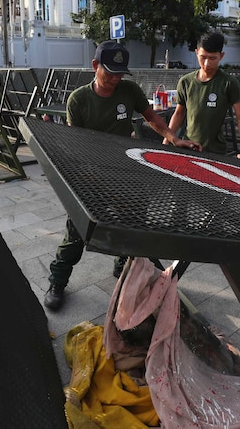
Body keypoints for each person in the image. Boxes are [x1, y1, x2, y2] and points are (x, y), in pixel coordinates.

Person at [44, 41, 201, 311]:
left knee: (135, 226)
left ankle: (124, 267)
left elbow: (152, 117)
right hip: (90, 178)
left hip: (125, 175)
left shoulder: (128, 91)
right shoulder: (79, 100)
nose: (115, 79)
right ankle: (57, 282)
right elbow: (74, 144)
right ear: (95, 66)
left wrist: (173, 138)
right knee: (76, 233)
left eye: (119, 73)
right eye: (109, 72)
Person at [165, 32, 240, 164]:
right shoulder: (186, 82)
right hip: (188, 146)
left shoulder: (229, 83)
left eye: (213, 58)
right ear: (196, 52)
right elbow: (179, 114)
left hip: (216, 151)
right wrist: (167, 139)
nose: (207, 63)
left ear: (221, 56)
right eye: (203, 57)